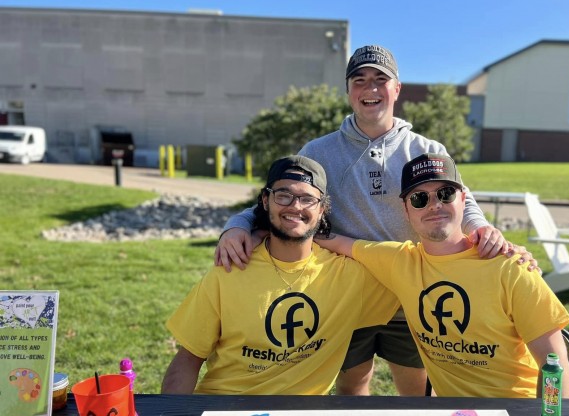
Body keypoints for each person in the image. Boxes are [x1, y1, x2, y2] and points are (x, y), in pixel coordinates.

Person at [214, 44, 537, 396]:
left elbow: (463, 200)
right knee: (353, 387)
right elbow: (282, 199)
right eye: (359, 80)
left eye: (380, 80)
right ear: (349, 90)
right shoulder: (318, 152)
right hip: (344, 293)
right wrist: (238, 225)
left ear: (396, 89)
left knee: (414, 391)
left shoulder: (426, 151)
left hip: (414, 292)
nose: (370, 89)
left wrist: (483, 230)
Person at [315, 153, 569, 397]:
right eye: (419, 199)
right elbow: (339, 243)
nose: (434, 205)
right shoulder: (400, 262)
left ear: (463, 199)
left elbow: (555, 363)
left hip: (514, 407)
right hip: (453, 409)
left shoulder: (511, 267)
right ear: (406, 210)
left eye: (445, 194)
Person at [161, 156, 400, 394]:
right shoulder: (230, 268)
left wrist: (345, 244)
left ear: (322, 209)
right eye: (283, 196)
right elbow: (188, 359)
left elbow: (414, 274)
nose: (295, 206)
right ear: (265, 201)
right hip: (226, 405)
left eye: (308, 199)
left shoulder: (349, 277)